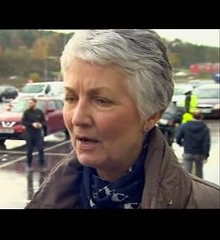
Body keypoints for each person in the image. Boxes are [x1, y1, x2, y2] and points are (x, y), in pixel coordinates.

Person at [25, 30, 219, 209]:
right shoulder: (48, 198)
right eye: (71, 98)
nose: (77, 118)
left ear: (151, 115)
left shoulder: (207, 202)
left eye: (101, 101)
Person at [176, 109, 210, 179]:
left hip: (188, 152)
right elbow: (206, 142)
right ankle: (199, 188)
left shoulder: (185, 126)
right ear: (201, 117)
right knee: (199, 173)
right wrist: (206, 154)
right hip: (199, 153)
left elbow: (178, 137)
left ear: (192, 116)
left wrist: (181, 144)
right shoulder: (205, 127)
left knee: (187, 173)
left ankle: (187, 188)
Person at [22, 98, 46, 171]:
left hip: (38, 133)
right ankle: (29, 164)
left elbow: (44, 121)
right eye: (29, 103)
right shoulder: (26, 112)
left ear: (35, 103)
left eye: (31, 103)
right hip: (29, 133)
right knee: (29, 149)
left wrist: (40, 125)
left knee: (40, 148)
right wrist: (32, 124)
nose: (30, 104)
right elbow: (23, 122)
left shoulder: (39, 112)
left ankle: (42, 163)